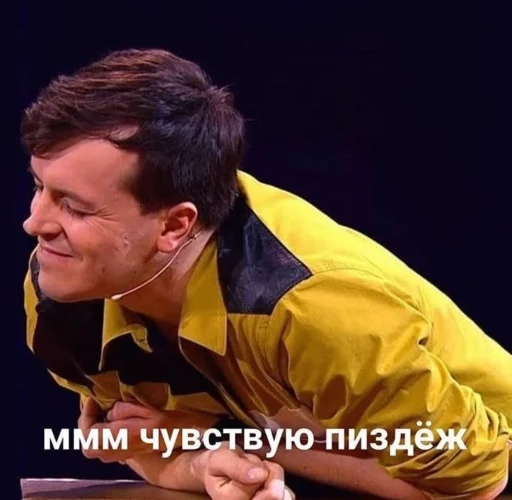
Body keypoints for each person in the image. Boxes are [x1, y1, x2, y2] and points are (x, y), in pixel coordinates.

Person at [21, 48, 511, 500]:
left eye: (75, 208)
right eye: (39, 187)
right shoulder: (66, 292)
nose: (35, 223)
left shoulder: (311, 307)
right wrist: (203, 461)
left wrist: (227, 437)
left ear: (174, 225)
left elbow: (477, 480)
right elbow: (149, 443)